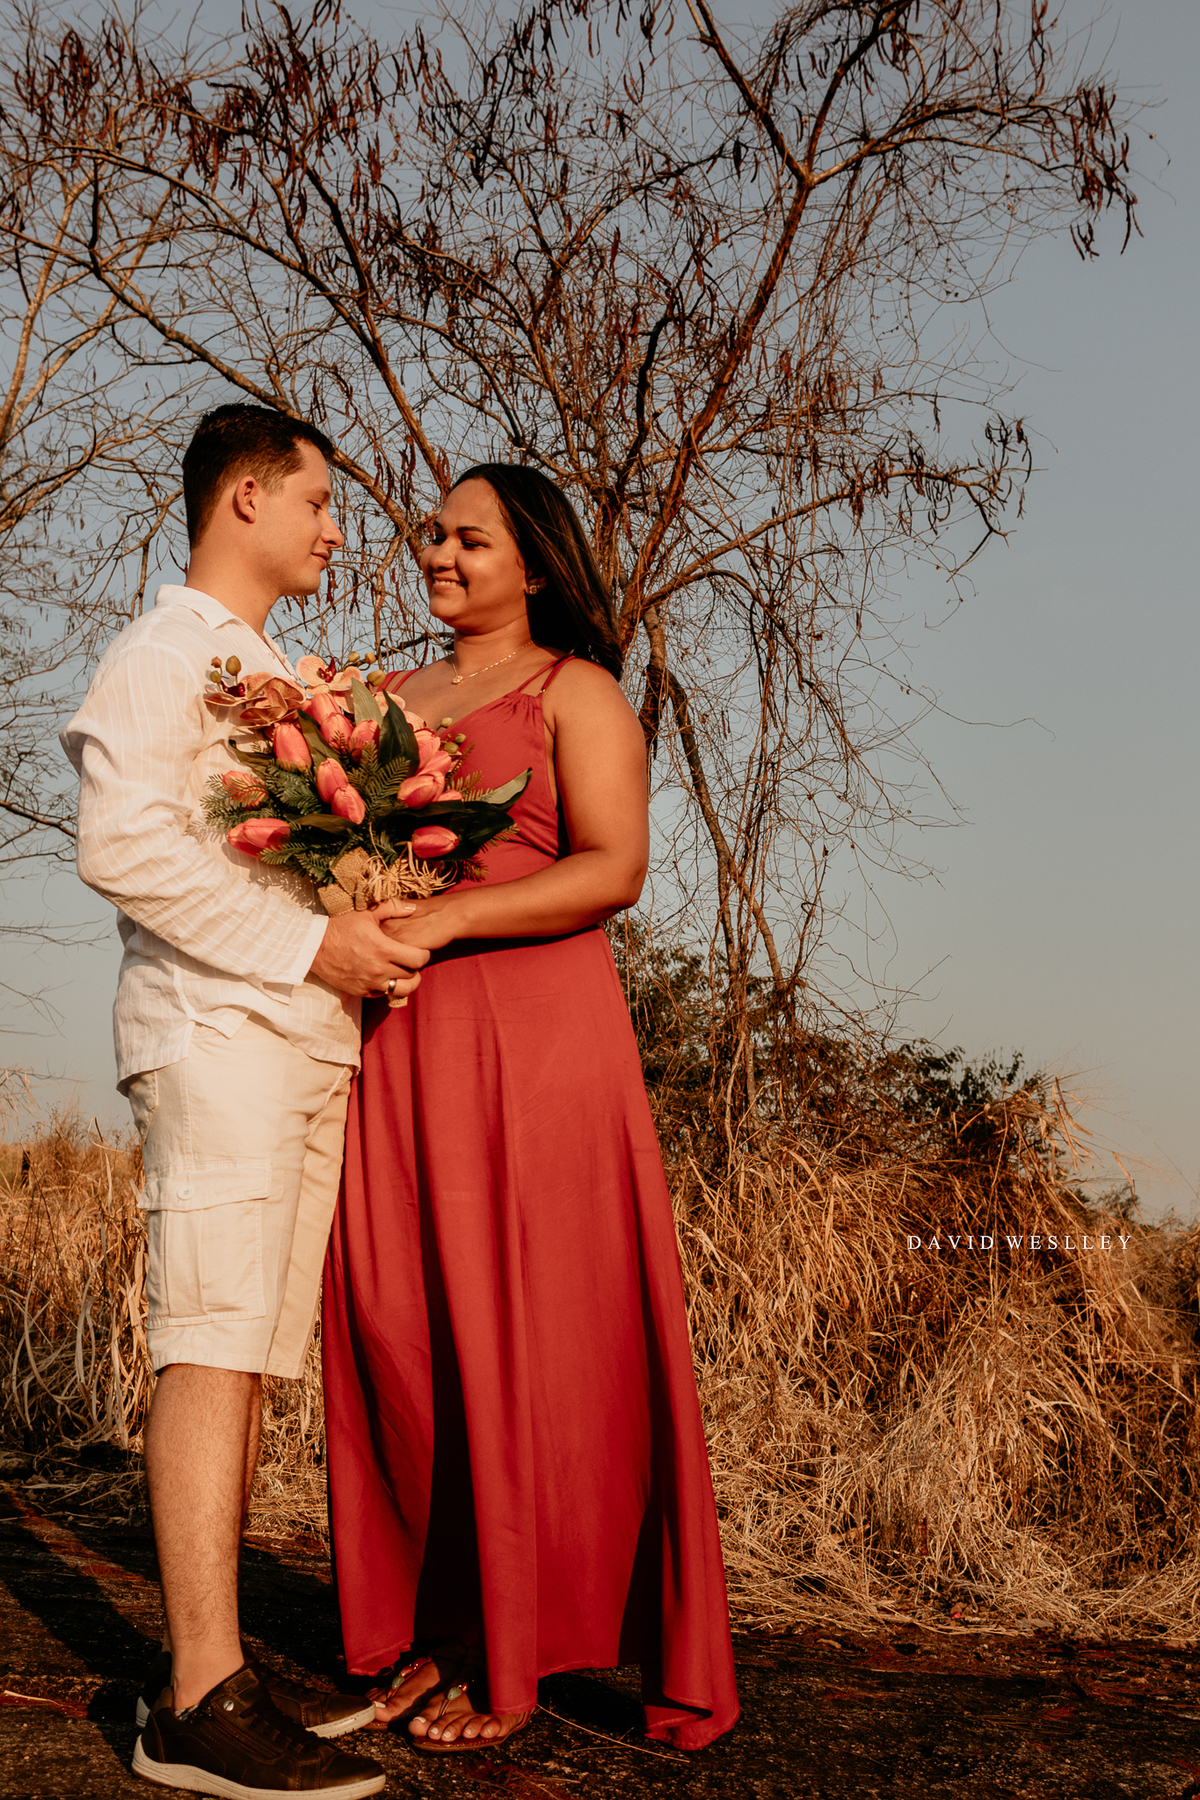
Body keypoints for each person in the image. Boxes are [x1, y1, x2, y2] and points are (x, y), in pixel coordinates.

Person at [321, 463, 740, 1753]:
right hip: (396, 1042)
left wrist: (447, 916)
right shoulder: (378, 700)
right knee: (402, 1327)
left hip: (537, 1046)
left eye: (470, 538)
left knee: (532, 1335)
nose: (437, 552)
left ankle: (516, 1654)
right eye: (432, 533)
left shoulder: (579, 691)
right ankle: (437, 1631)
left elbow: (612, 867)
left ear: (537, 564)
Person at [62, 404, 429, 1798]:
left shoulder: (268, 667)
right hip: (218, 1032)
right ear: (245, 501)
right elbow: (119, 847)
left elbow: (279, 853)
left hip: (298, 1041)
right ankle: (199, 1706)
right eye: (320, 501)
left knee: (254, 1343)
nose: (337, 527)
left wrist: (366, 916)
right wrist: (306, 944)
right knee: (209, 1343)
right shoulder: (163, 654)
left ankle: (210, 1669)